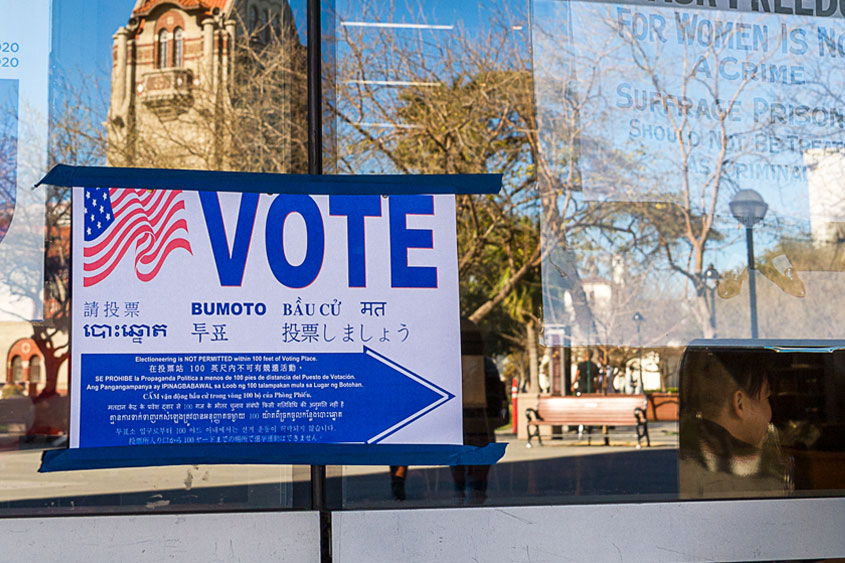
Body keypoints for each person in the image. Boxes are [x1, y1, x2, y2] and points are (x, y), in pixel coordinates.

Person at [679, 349, 792, 498]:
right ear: (739, 403)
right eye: (766, 396)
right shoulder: (764, 484)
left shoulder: (682, 466)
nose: (770, 413)